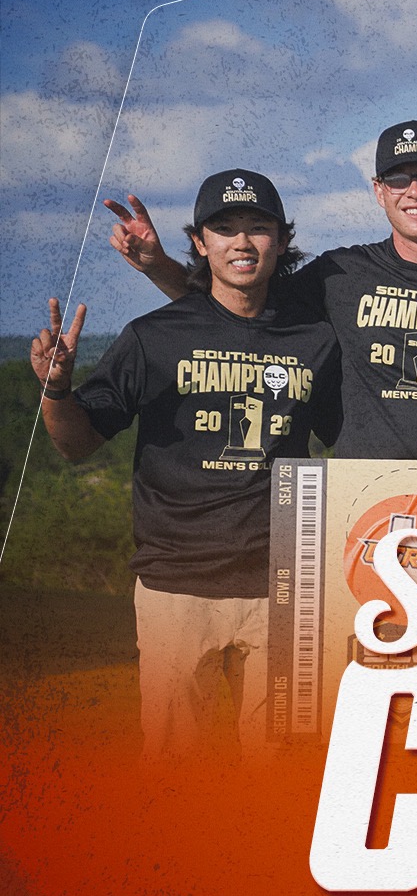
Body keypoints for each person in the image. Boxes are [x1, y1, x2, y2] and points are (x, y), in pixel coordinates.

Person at [33, 170, 341, 757]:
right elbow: (76, 442)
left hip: (283, 590)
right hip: (176, 588)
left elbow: (353, 436)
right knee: (178, 776)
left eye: (258, 227)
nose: (241, 242)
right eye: (223, 229)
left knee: (281, 774)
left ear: (281, 239)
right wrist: (56, 390)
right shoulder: (153, 337)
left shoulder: (315, 339)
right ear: (199, 243)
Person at [104, 121, 417, 469]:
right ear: (378, 192)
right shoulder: (339, 274)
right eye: (397, 179)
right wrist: (157, 265)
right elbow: (236, 310)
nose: (414, 191)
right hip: (362, 489)